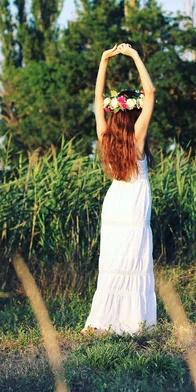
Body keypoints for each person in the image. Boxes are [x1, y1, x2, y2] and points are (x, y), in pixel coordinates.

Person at [81, 43, 157, 335]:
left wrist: (104, 60)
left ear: (114, 115)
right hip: (136, 203)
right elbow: (150, 93)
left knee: (113, 261)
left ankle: (105, 320)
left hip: (114, 204)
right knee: (135, 258)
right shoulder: (137, 139)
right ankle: (134, 322)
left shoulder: (104, 137)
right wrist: (136, 55)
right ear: (132, 115)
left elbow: (97, 98)